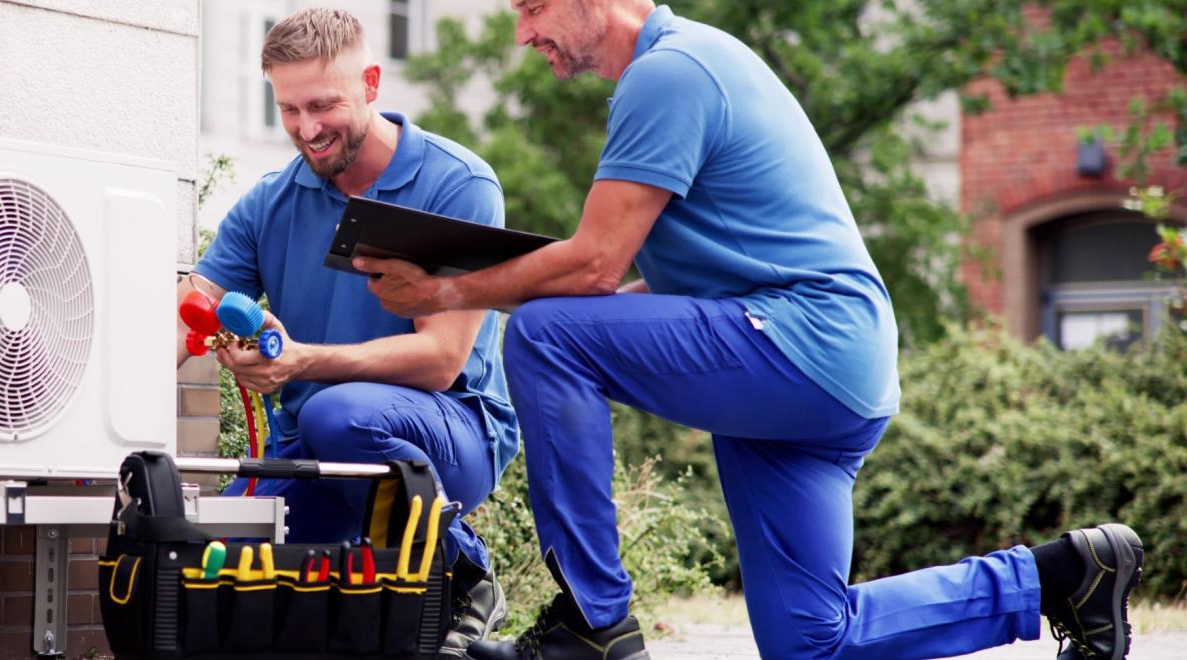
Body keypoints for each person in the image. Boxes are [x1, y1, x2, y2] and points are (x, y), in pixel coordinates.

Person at [358, 1, 1145, 659]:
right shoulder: (688, 66)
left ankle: (591, 620)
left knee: (546, 334)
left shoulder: (670, 74)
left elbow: (593, 268)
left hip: (800, 342)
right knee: (810, 641)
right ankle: (1064, 577)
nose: (524, 34)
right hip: (823, 367)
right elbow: (637, 285)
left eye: (531, 7)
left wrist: (448, 288)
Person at [175, 7, 522, 655]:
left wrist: (298, 360)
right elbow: (188, 309)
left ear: (370, 82)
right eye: (288, 109)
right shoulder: (270, 203)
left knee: (338, 412)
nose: (307, 129)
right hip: (311, 450)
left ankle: (466, 569)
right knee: (206, 571)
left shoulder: (455, 184)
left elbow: (442, 360)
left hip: (446, 437)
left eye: (323, 104)